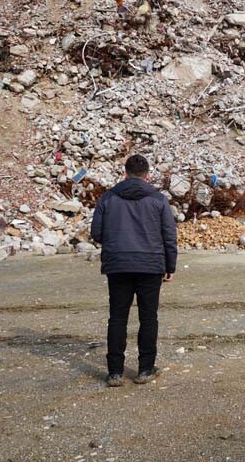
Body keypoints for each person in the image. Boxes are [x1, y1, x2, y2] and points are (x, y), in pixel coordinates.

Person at [90, 154, 178, 387]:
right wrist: (170, 266)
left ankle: (115, 373)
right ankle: (145, 369)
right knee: (148, 317)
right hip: (150, 265)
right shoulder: (159, 200)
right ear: (148, 175)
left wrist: (116, 242)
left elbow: (96, 233)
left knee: (117, 317)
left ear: (125, 173)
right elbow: (169, 236)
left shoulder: (108, 198)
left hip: (118, 264)